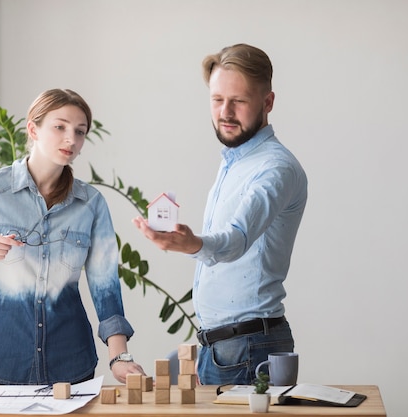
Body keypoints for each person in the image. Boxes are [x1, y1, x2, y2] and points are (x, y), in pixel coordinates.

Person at [133, 43, 308, 385]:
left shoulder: (275, 168)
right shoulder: (234, 161)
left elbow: (236, 239)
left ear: (267, 103)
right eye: (217, 100)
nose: (225, 112)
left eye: (238, 101)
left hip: (248, 349)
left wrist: (193, 244)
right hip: (227, 347)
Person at [0, 89, 145, 385]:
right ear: (33, 129)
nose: (71, 139)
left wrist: (120, 358)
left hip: (71, 363)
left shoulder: (90, 204)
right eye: (60, 127)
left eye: (80, 132)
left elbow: (105, 288)